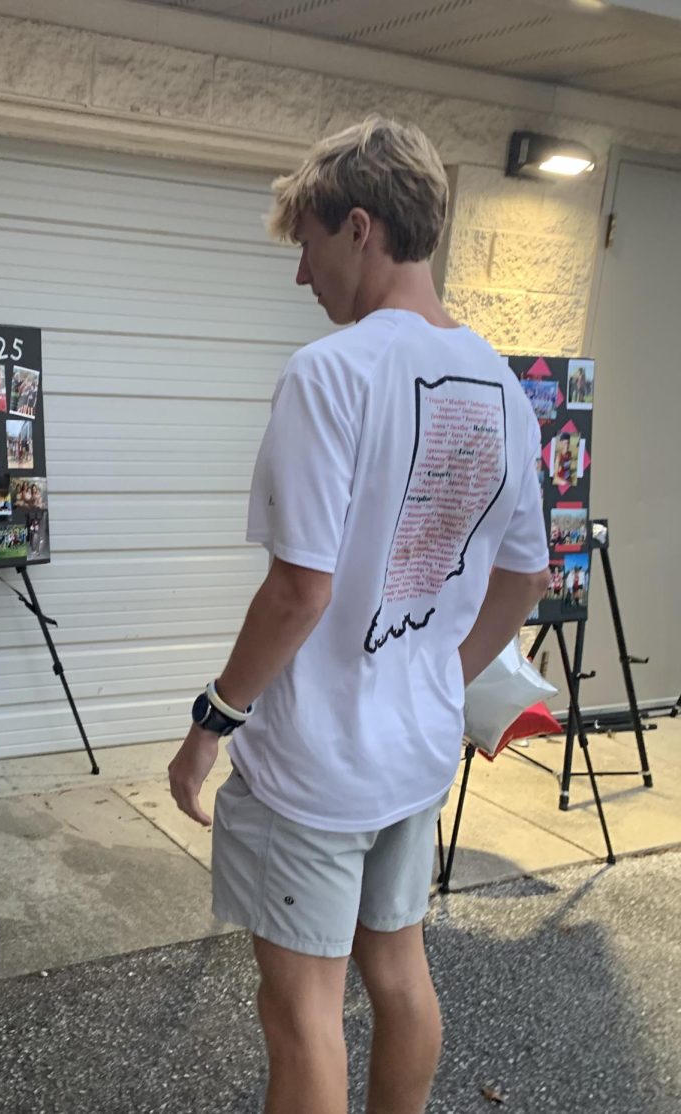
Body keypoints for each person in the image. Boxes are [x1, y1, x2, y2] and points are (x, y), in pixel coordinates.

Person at [166, 116, 550, 1114]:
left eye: (306, 243)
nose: (302, 277)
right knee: (399, 971)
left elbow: (302, 591)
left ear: (360, 229)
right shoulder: (506, 390)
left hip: (317, 766)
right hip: (416, 753)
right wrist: (438, 673)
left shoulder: (330, 375)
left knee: (302, 1009)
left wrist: (212, 721)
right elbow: (526, 576)